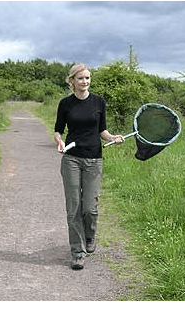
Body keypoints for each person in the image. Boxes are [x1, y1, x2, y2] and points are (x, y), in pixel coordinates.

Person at [54, 63, 124, 270]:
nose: (85, 82)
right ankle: (78, 251)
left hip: (94, 159)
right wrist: (59, 141)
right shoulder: (66, 103)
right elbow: (58, 130)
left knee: (89, 208)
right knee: (73, 208)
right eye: (81, 78)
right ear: (72, 81)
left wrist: (112, 137)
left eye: (88, 78)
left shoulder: (98, 102)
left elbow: (102, 130)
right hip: (72, 159)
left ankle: (90, 236)